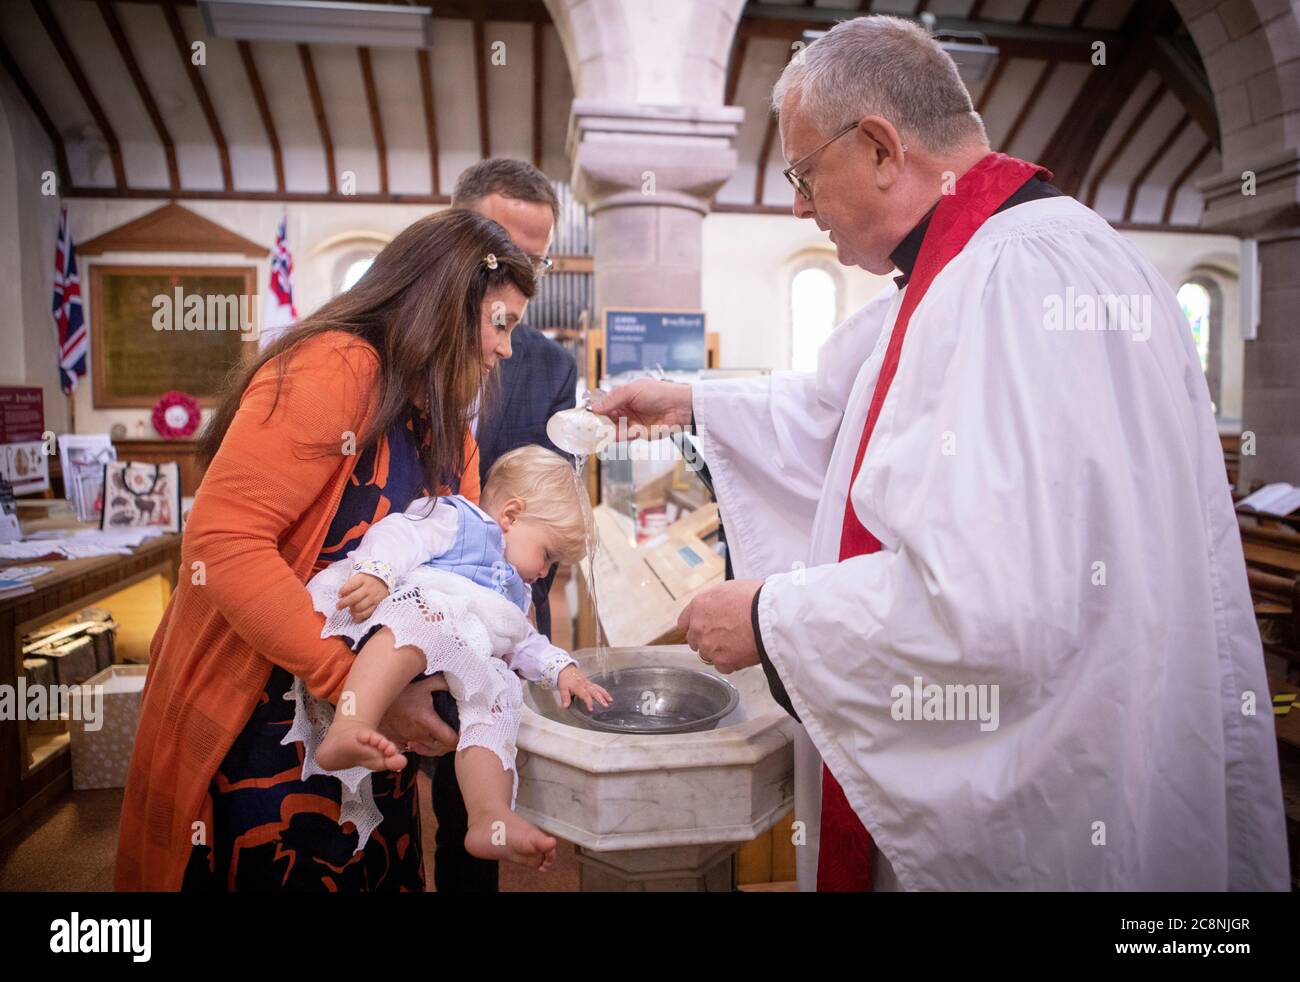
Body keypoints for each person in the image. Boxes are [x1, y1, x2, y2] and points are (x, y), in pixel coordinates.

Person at [591, 15, 1289, 891]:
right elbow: (833, 415)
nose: (798, 206)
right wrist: (688, 397)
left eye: (804, 174)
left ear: (881, 148)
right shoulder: (1000, 267)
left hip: (1059, 786)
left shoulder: (1014, 284)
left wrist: (770, 616)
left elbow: (991, 596)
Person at [116, 209, 533, 891]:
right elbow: (225, 543)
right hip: (262, 710)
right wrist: (351, 688)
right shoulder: (337, 366)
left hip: (367, 727)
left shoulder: (448, 429)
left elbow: (452, 575)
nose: (507, 348)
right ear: (444, 304)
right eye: (499, 322)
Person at [297, 445, 610, 870]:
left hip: (461, 658)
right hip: (414, 616)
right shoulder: (462, 521)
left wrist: (561, 669)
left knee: (499, 697)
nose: (543, 572)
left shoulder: (517, 592)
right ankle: (352, 724)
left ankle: (489, 814)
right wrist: (378, 571)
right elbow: (401, 533)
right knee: (426, 619)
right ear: (511, 516)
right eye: (548, 554)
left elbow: (521, 640)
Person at [428, 158, 579, 891]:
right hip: (413, 582)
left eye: (535, 259)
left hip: (507, 589)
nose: (518, 271)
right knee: (395, 770)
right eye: (501, 251)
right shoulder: (407, 346)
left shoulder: (547, 363)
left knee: (483, 753)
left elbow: (549, 484)